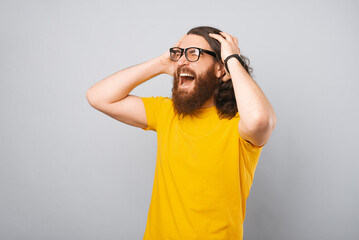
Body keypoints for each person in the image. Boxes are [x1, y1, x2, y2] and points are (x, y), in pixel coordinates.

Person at [86, 26, 276, 240]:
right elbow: (98, 97)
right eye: (178, 53)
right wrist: (160, 63)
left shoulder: (239, 126)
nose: (182, 61)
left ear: (220, 70)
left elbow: (261, 120)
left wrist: (232, 59)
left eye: (194, 53)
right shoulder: (166, 112)